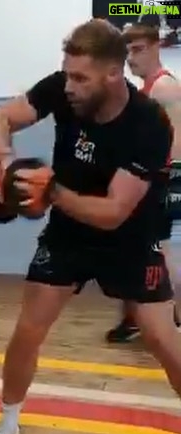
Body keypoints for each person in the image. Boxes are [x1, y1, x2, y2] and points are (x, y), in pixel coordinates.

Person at [0, 18, 181, 434]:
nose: (69, 85)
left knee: (164, 341)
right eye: (67, 73)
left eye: (80, 78)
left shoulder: (148, 124)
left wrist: (51, 192)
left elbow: (113, 213)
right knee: (28, 331)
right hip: (68, 235)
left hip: (130, 238)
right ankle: (6, 426)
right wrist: (3, 162)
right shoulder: (64, 89)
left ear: (112, 74)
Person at [107, 22, 181, 342]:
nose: (132, 59)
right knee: (140, 250)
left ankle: (173, 321)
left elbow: (177, 139)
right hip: (155, 181)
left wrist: (165, 179)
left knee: (163, 253)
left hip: (169, 181)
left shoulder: (164, 87)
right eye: (128, 53)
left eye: (137, 50)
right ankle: (135, 316)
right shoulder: (147, 90)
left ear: (154, 48)